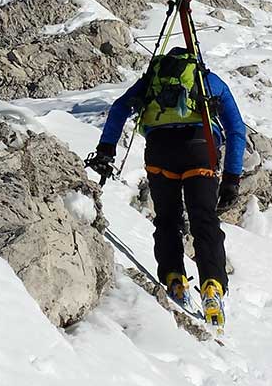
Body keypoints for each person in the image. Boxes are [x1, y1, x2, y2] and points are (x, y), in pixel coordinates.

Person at [90, 47, 245, 326]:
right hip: (200, 149)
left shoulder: (152, 81)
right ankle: (212, 286)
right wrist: (232, 178)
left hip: (160, 152)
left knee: (167, 219)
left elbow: (119, 109)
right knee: (204, 219)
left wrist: (106, 149)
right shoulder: (208, 81)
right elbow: (236, 129)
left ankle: (174, 278)